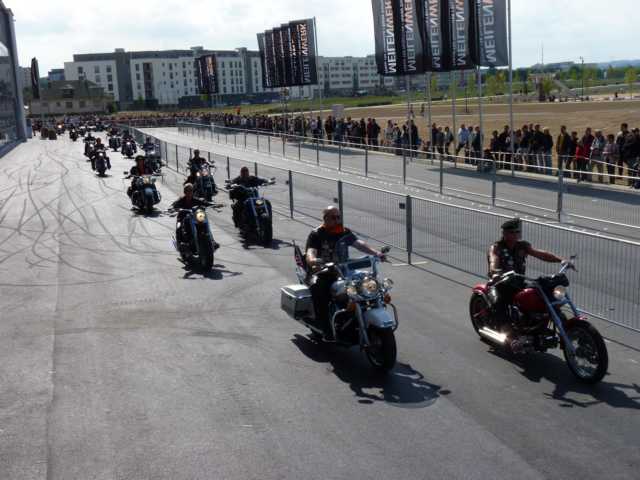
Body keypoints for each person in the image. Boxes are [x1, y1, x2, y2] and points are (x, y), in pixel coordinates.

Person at [305, 206, 386, 340]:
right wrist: (313, 260)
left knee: (366, 285)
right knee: (319, 292)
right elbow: (310, 252)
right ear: (325, 219)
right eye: (334, 218)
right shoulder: (316, 234)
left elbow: (358, 244)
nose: (337, 220)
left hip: (343, 270)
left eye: (339, 217)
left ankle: (357, 317)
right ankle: (326, 328)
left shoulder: (343, 232)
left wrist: (376, 253)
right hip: (322, 272)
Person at [487, 218, 566, 334]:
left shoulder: (522, 246)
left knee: (540, 294)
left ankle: (537, 323)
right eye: (512, 232)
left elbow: (541, 254)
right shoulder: (497, 247)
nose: (515, 235)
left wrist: (561, 260)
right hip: (501, 283)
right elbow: (493, 259)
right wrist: (494, 271)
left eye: (517, 232)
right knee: (500, 303)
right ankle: (507, 333)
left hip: (519, 282)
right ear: (504, 233)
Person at [171, 183, 220, 252]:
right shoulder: (181, 200)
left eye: (191, 190)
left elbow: (205, 203)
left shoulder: (195, 199)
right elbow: (174, 205)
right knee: (179, 226)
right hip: (183, 218)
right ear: (184, 192)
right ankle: (180, 244)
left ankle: (212, 241)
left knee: (204, 223)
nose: (189, 192)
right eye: (187, 190)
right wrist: (172, 208)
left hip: (194, 218)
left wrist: (214, 205)